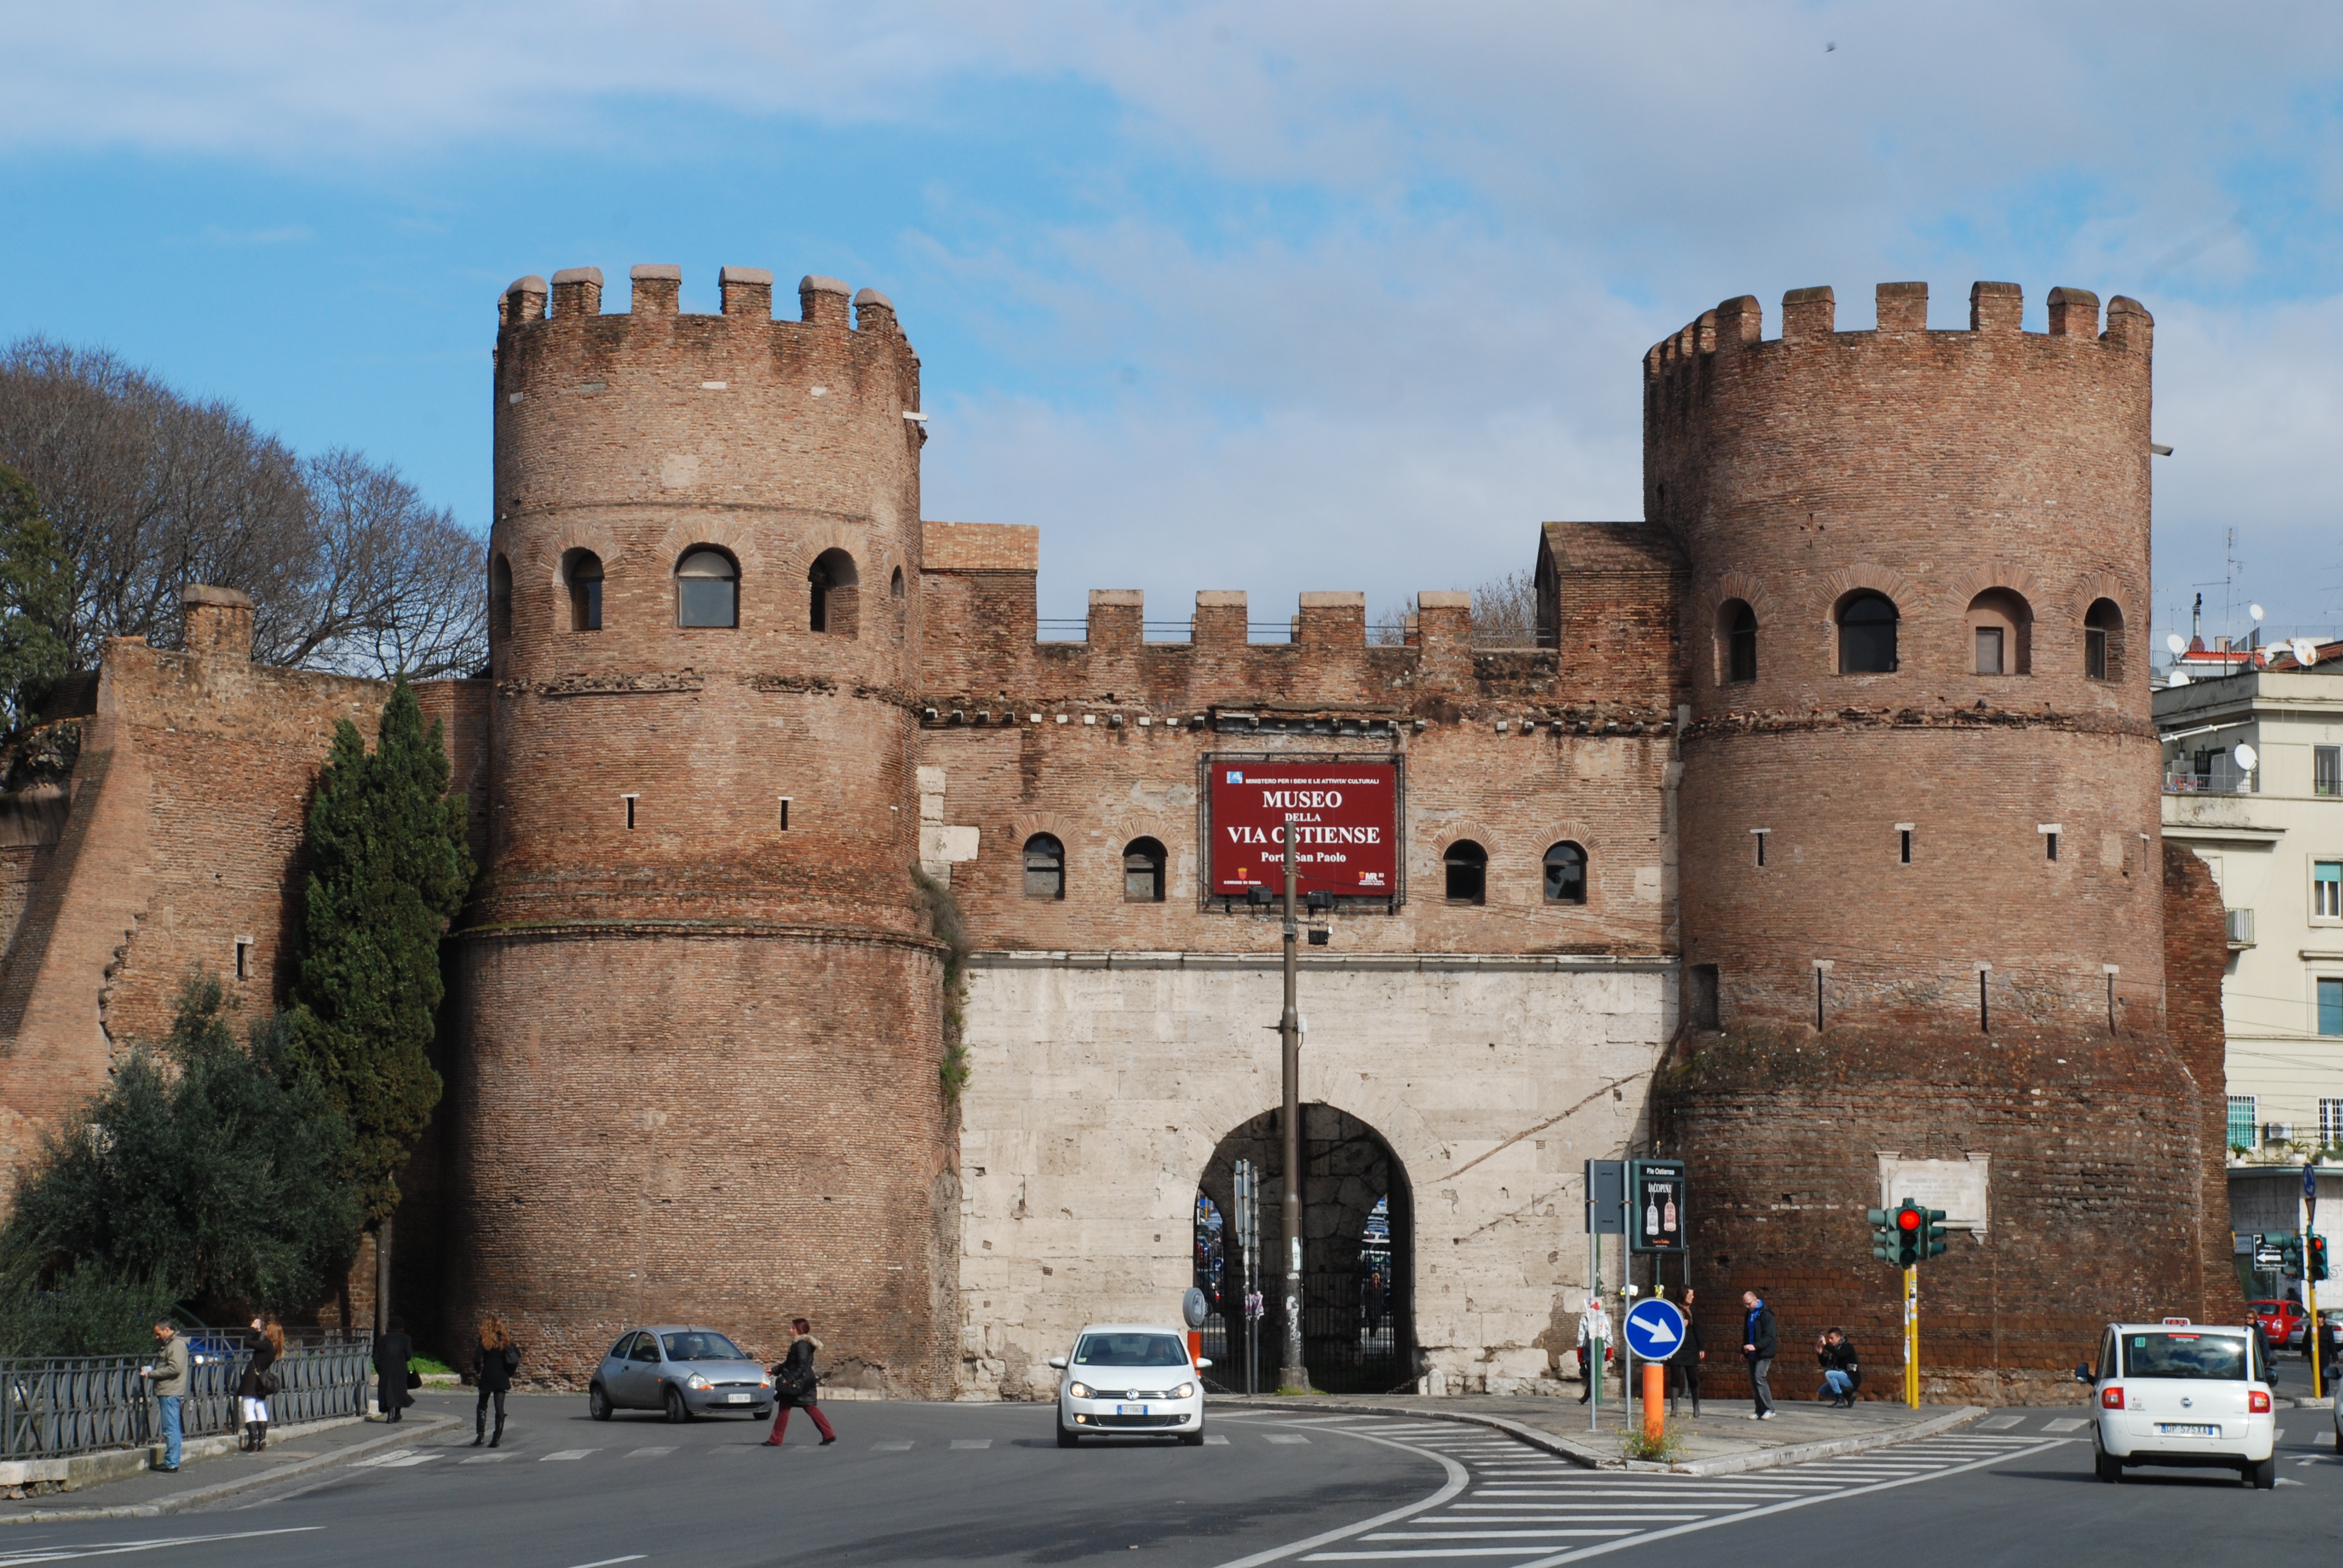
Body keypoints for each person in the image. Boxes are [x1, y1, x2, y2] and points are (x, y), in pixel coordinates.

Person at [763, 1318, 837, 1447]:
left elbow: (801, 1365)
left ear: (799, 1330)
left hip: (799, 1381)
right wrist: (775, 1370)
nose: (790, 1330)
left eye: (793, 1328)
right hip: (803, 1380)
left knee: (793, 1407)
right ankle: (828, 1434)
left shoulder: (801, 1345)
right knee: (807, 1407)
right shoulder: (799, 1344)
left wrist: (789, 1379)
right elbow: (791, 1363)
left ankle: (776, 1439)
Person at [140, 1318, 189, 1472]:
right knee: (171, 1426)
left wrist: (153, 1374)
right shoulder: (173, 1344)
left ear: (167, 1330)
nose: (156, 1337)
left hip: (170, 1390)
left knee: (171, 1427)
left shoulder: (176, 1345)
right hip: (168, 1390)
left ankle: (172, 1463)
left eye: (158, 1333)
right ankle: (171, 1461)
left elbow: (175, 1368)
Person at [239, 1316, 284, 1451]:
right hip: (261, 1379)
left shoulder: (267, 1345)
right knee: (259, 1406)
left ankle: (253, 1441)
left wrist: (253, 1328)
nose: (264, 1331)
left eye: (266, 1330)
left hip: (253, 1378)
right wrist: (257, 1332)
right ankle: (262, 1439)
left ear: (271, 1333)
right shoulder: (274, 1347)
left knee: (248, 1407)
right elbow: (256, 1344)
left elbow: (248, 1342)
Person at [475, 1315, 520, 1448]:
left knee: (482, 1406)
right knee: (499, 1407)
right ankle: (497, 1438)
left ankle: (481, 1437)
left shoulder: (484, 1340)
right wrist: (509, 1371)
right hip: (502, 1376)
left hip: (488, 1376)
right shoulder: (506, 1341)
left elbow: (477, 1359)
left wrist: (478, 1370)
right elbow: (517, 1355)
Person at [1665, 1287, 1705, 1416]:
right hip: (1676, 1347)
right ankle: (1674, 1408)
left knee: (1693, 1377)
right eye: (1690, 1295)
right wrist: (1679, 1323)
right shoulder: (1673, 1309)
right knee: (1675, 1377)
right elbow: (1666, 1327)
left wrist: (1701, 1348)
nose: (1693, 1297)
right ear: (1684, 1295)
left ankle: (1696, 1407)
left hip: (1690, 1347)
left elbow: (1697, 1330)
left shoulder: (1692, 1310)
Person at [1741, 1289, 1777, 1420]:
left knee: (1759, 1377)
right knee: (1753, 1380)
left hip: (1764, 1353)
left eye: (1749, 1304)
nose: (1747, 1306)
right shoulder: (1749, 1314)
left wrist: (1755, 1346)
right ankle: (1759, 1410)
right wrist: (1744, 1350)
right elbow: (1747, 1333)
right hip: (1751, 1353)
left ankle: (1770, 1409)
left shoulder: (1766, 1314)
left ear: (1756, 1300)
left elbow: (1769, 1336)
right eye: (1745, 1304)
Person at [373, 1316, 415, 1423]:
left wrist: (380, 1369)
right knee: (399, 1390)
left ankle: (390, 1415)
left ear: (390, 1327)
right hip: (400, 1368)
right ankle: (397, 1414)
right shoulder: (406, 1338)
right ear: (402, 1327)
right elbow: (409, 1356)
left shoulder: (382, 1339)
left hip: (385, 1369)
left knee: (388, 1390)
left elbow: (376, 1358)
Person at [1574, 1296, 1613, 1404]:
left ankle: (1587, 1397)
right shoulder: (1604, 1319)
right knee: (1595, 1375)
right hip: (1599, 1350)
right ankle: (1588, 1397)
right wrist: (1609, 1349)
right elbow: (1608, 1335)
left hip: (1589, 1350)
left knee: (1593, 1375)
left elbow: (1581, 1337)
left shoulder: (1585, 1319)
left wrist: (1580, 1354)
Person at [1815, 1327, 1861, 1408]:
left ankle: (1840, 1401)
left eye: (1832, 1338)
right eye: (1829, 1338)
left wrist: (1826, 1345)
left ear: (1839, 1338)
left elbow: (1840, 1354)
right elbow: (1824, 1363)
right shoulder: (1834, 1351)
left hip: (1852, 1379)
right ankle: (1849, 1395)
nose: (1830, 1340)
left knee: (1829, 1374)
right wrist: (1820, 1354)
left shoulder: (1848, 1347)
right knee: (1822, 1391)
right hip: (1842, 1378)